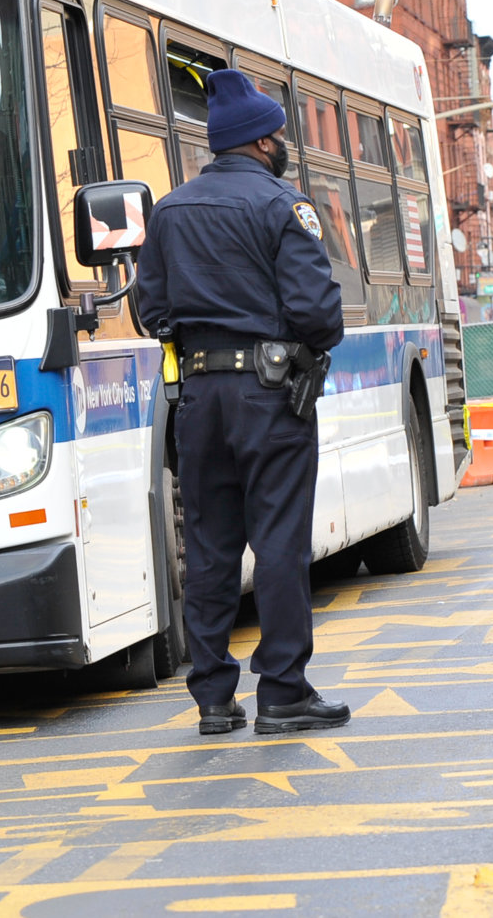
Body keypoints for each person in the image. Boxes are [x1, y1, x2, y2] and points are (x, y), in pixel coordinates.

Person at [134, 68, 349, 736]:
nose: (283, 141)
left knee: (209, 543)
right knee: (279, 539)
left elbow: (151, 310)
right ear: (260, 141)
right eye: (279, 133)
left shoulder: (169, 212)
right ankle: (282, 689)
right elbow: (318, 312)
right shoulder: (283, 205)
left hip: (198, 398)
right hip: (270, 394)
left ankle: (213, 698)